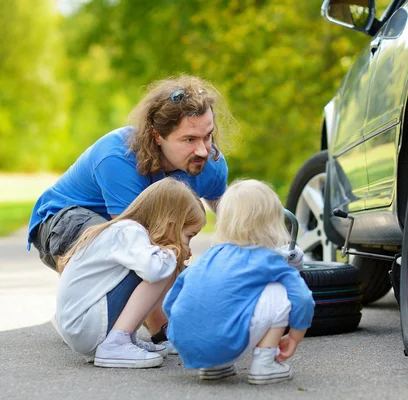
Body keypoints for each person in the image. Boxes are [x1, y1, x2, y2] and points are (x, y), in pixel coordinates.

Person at [27, 75, 232, 352]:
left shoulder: (208, 160)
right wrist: (166, 332)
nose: (202, 149)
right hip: (61, 222)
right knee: (147, 253)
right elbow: (140, 251)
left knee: (164, 250)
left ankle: (89, 314)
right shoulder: (119, 157)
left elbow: (236, 227)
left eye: (207, 135)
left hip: (114, 232)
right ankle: (101, 328)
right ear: (157, 136)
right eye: (189, 139)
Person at [163, 179, 315, 385]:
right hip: (227, 340)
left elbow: (171, 300)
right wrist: (295, 337)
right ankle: (265, 364)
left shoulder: (209, 256)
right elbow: (303, 298)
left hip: (185, 344)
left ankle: (214, 366)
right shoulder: (270, 260)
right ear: (272, 221)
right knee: (280, 288)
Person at [55, 178, 205, 368]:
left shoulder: (131, 233)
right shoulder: (128, 230)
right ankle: (116, 343)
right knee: (162, 267)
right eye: (189, 236)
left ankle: (124, 337)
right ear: (170, 224)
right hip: (84, 325)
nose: (188, 245)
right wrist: (173, 252)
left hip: (85, 326)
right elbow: (153, 271)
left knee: (165, 264)